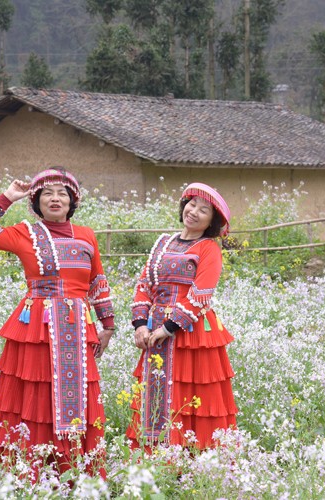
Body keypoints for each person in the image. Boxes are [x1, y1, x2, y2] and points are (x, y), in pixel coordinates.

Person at [0, 167, 115, 478]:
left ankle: (75, 472)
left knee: (78, 397)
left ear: (72, 201)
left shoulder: (87, 236)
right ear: (36, 201)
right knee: (36, 393)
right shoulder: (25, 233)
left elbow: (97, 282)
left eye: (62, 193)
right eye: (46, 193)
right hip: (37, 326)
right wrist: (8, 197)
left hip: (78, 326)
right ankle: (32, 470)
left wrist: (108, 325)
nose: (55, 198)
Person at [127, 183, 237, 450]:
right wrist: (141, 325)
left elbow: (201, 295)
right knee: (157, 395)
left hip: (191, 333)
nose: (194, 212)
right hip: (154, 331)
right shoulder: (163, 243)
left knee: (191, 394)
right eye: (192, 204)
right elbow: (144, 285)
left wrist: (168, 327)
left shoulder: (208, 248)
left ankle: (194, 460)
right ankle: (155, 459)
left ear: (212, 221)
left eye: (204, 210)